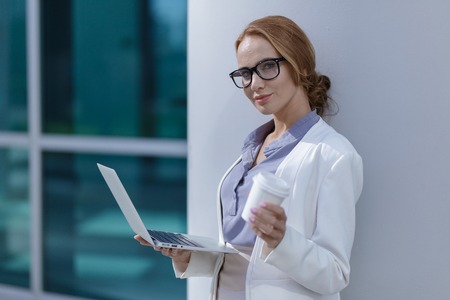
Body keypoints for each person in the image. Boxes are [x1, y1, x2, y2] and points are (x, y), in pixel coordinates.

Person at [135, 15, 363, 300]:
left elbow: (335, 274)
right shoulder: (253, 148)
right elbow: (242, 254)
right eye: (245, 73)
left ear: (300, 66)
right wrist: (186, 255)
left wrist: (281, 240)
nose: (254, 83)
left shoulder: (334, 156)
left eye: (267, 66)